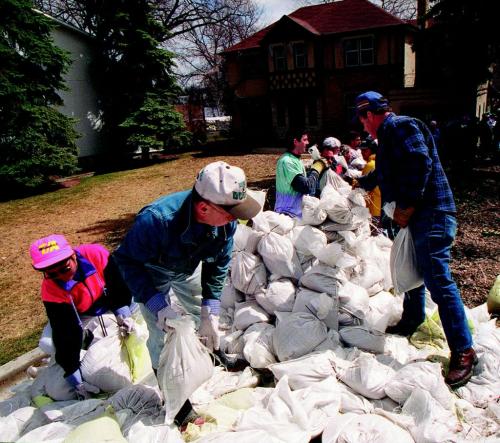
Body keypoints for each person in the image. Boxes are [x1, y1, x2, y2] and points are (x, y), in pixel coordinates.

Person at [353, 90, 476, 388]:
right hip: (421, 216)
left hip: (431, 214)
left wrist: (407, 206)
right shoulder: (388, 138)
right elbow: (383, 175)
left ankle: (464, 351)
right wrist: (354, 183)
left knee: (438, 280)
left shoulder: (400, 126)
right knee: (412, 268)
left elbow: (420, 162)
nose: (363, 127)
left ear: (369, 114)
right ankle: (412, 319)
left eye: (362, 120)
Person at [30, 234, 134, 399]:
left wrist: (122, 309)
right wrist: (72, 371)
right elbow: (65, 330)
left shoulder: (96, 255)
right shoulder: (50, 289)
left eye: (64, 269)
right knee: (59, 390)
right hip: (81, 317)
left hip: (110, 307)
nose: (61, 276)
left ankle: (97, 340)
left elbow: (120, 286)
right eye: (52, 273)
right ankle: (85, 341)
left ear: (73, 255)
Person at [274, 129, 328, 217]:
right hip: (288, 213)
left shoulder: (295, 159)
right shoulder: (287, 161)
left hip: (296, 211)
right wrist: (317, 168)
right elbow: (306, 187)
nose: (308, 142)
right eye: (305, 139)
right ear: (295, 141)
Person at [359, 137, 381, 234]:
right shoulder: (379, 162)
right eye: (361, 150)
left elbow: (364, 187)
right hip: (381, 208)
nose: (362, 153)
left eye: (365, 150)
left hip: (374, 208)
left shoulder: (370, 165)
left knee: (375, 236)